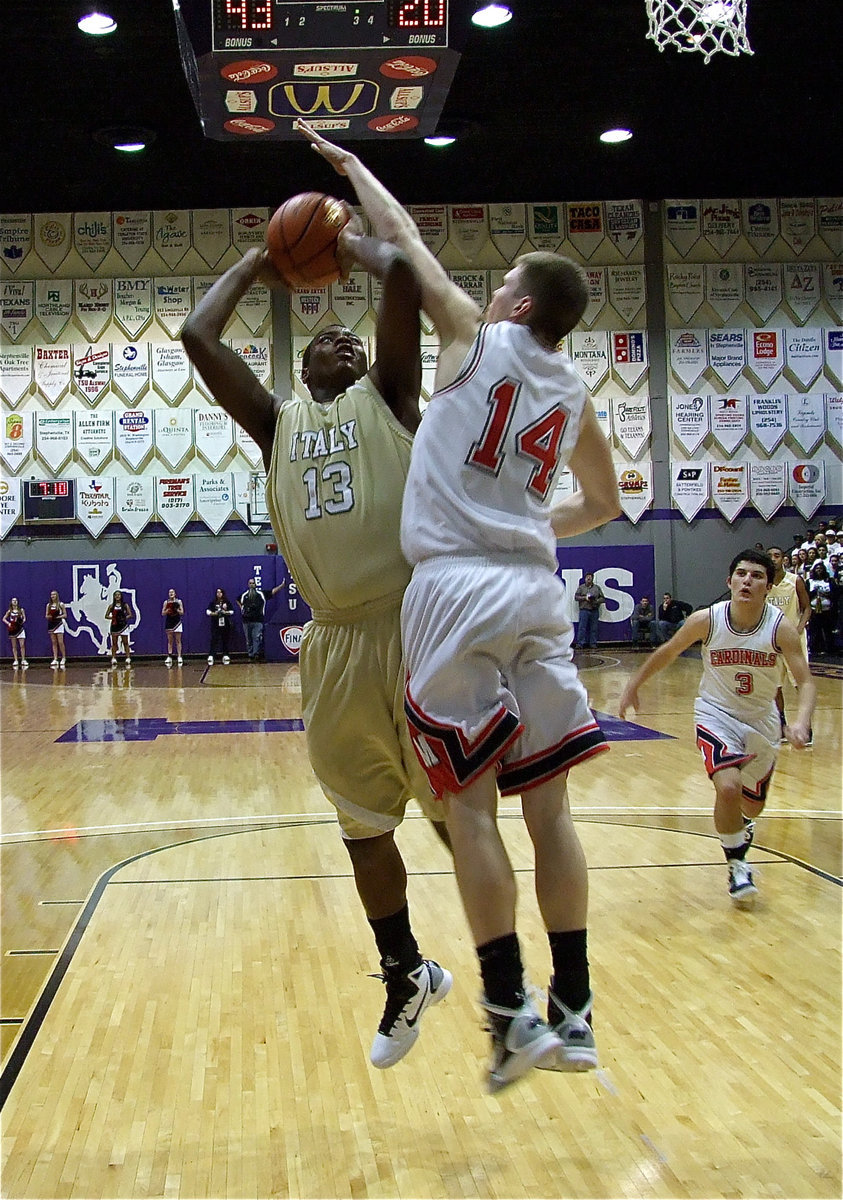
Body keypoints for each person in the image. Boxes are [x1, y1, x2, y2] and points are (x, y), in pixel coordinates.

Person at [298, 121, 620, 1091]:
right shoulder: (573, 392)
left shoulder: (478, 342)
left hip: (455, 590)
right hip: (535, 586)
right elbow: (605, 503)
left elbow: (405, 253)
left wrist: (351, 173)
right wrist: (526, 518)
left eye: (502, 280)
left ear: (516, 300)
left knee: (470, 808)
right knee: (551, 814)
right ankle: (577, 1009)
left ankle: (510, 1011)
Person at [181, 174, 452, 1074]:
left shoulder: (391, 398)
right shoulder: (275, 425)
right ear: (300, 370)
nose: (338, 338)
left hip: (415, 623)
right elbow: (197, 335)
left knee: (459, 812)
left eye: (349, 336)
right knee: (362, 826)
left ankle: (503, 966)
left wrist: (347, 250)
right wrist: (263, 257)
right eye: (322, 338)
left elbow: (404, 284)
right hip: (335, 639)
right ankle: (404, 972)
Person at [619, 550, 815, 907]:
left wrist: (800, 721)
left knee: (750, 807)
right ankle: (737, 865)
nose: (747, 580)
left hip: (761, 721)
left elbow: (806, 681)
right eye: (741, 574)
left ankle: (739, 826)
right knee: (727, 787)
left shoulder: (780, 629)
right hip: (716, 714)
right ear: (729, 582)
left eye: (757, 576)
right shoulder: (707, 620)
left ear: (768, 587)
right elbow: (669, 650)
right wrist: (635, 682)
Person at [766, 545, 811, 743]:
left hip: (793, 639)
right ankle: (781, 725)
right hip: (772, 640)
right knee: (774, 686)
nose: (774, 559)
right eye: (770, 556)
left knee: (800, 684)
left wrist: (800, 627)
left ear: (783, 559)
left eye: (777, 556)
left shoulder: (795, 581)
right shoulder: (764, 584)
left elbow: (807, 607)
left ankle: (806, 727)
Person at [237, 579, 283, 661]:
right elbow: (238, 600)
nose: (251, 585)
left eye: (253, 583)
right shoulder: (244, 595)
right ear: (248, 585)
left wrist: (281, 586)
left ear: (256, 584)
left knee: (257, 638)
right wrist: (242, 609)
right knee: (248, 639)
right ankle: (250, 654)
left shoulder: (261, 594)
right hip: (246, 621)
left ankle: (256, 654)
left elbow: (272, 592)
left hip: (258, 620)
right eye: (250, 583)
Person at [806, 561, 834, 656]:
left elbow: (835, 594)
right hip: (814, 609)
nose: (819, 570)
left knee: (827, 630)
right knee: (814, 630)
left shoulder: (828, 581)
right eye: (817, 569)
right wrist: (814, 592)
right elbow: (806, 595)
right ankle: (815, 648)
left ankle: (829, 649)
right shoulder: (810, 581)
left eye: (821, 569)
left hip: (827, 609)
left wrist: (825, 594)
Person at [573, 572, 605, 650]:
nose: (588, 579)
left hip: (594, 610)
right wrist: (585, 598)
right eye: (587, 577)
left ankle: (593, 643)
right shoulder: (581, 588)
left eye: (590, 577)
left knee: (594, 628)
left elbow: (603, 599)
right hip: (584, 610)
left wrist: (596, 601)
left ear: (592, 578)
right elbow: (576, 597)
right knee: (582, 627)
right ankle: (580, 644)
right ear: (585, 578)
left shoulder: (597, 588)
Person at [207, 588, 235, 664]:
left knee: (225, 639)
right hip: (215, 624)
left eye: (220, 592)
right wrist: (214, 613)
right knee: (214, 639)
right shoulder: (213, 602)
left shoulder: (226, 602)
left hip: (225, 624)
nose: (219, 594)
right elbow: (208, 611)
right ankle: (212, 655)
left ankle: (225, 654)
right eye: (217, 592)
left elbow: (232, 611)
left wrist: (225, 612)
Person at [106, 590, 133, 667]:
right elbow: (106, 615)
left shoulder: (125, 605)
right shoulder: (111, 606)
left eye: (119, 595)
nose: (117, 596)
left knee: (125, 642)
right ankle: (114, 657)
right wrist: (113, 618)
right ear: (114, 597)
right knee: (114, 643)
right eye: (116, 595)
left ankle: (128, 657)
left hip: (123, 626)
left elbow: (130, 614)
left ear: (121, 596)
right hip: (114, 626)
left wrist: (123, 618)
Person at [162, 588, 184, 666]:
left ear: (175, 594)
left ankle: (179, 656)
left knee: (178, 640)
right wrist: (168, 610)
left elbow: (182, 612)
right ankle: (169, 656)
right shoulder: (166, 602)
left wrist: (176, 609)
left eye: (172, 592)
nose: (171, 593)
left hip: (177, 622)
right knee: (170, 641)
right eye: (169, 592)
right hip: (169, 623)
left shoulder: (179, 601)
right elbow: (163, 613)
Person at [45, 591, 67, 668]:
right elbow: (46, 615)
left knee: (60, 642)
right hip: (51, 624)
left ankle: (63, 657)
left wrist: (58, 616)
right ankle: (55, 658)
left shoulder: (61, 604)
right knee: (54, 642)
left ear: (57, 595)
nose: (52, 596)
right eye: (51, 595)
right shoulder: (48, 605)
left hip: (59, 624)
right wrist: (50, 616)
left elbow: (65, 615)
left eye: (54, 594)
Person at [3, 598, 27, 668]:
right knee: (14, 646)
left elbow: (24, 618)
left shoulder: (21, 610)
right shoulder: (9, 611)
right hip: (13, 630)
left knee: (22, 645)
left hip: (20, 629)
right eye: (13, 600)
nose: (15, 601)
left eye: (16, 600)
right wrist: (9, 623)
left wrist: (21, 621)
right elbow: (4, 618)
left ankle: (23, 659)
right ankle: (16, 660)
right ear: (11, 602)